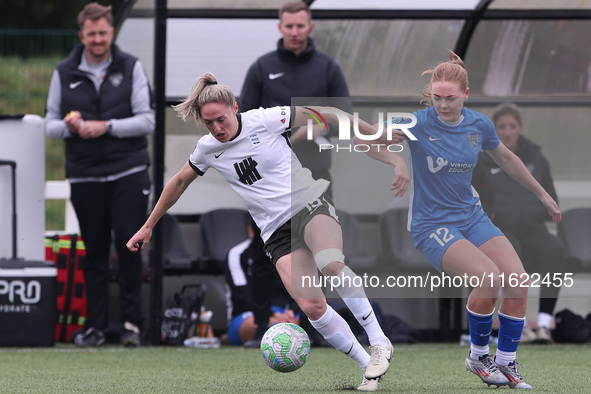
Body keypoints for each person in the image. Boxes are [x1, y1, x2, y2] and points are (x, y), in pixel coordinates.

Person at [127, 72, 408, 391]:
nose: (217, 129)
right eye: (209, 124)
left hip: (309, 204)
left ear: (235, 108)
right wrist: (148, 226)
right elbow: (178, 182)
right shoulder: (207, 149)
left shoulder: (266, 119)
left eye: (221, 119)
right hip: (275, 232)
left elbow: (329, 114)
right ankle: (368, 367)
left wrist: (373, 133)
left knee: (331, 263)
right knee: (313, 307)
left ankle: (379, 341)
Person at [355, 52, 561, 389]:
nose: (443, 105)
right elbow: (364, 140)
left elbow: (507, 158)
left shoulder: (479, 124)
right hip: (431, 226)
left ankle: (507, 363)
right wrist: (397, 162)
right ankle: (478, 356)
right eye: (437, 97)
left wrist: (542, 194)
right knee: (488, 278)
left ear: (465, 94)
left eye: (450, 98)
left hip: (471, 216)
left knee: (518, 280)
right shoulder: (418, 123)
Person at [238, 0, 352, 346]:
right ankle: (260, 327)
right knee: (263, 254)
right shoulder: (262, 68)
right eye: (288, 26)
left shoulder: (328, 68)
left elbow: (343, 115)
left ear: (310, 27)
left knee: (319, 254)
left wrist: (315, 128)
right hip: (267, 185)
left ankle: (314, 326)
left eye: (300, 26)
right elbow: (242, 123)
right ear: (280, 27)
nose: (294, 32)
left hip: (314, 177)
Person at [45, 2, 155, 347]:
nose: (98, 39)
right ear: (82, 35)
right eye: (91, 34)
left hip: (129, 171)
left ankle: (131, 326)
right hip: (85, 175)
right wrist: (69, 126)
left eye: (103, 32)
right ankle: (93, 327)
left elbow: (147, 120)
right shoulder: (64, 72)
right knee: (92, 252)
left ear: (111, 33)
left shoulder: (131, 66)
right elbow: (48, 125)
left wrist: (104, 126)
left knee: (129, 248)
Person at [472, 104, 565, 344]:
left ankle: (544, 325)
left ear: (520, 128)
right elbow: (475, 197)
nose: (507, 131)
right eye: (502, 126)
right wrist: (493, 214)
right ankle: (518, 325)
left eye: (512, 126)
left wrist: (534, 213)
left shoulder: (536, 157)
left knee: (554, 250)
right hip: (500, 229)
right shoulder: (482, 159)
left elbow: (549, 194)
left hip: (532, 227)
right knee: (510, 255)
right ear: (495, 129)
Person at [224, 219, 301, 346]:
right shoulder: (236, 254)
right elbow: (243, 296)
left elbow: (299, 286)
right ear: (251, 230)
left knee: (300, 321)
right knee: (257, 326)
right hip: (248, 314)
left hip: (285, 314)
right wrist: (272, 316)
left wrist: (291, 312)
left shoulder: (287, 253)